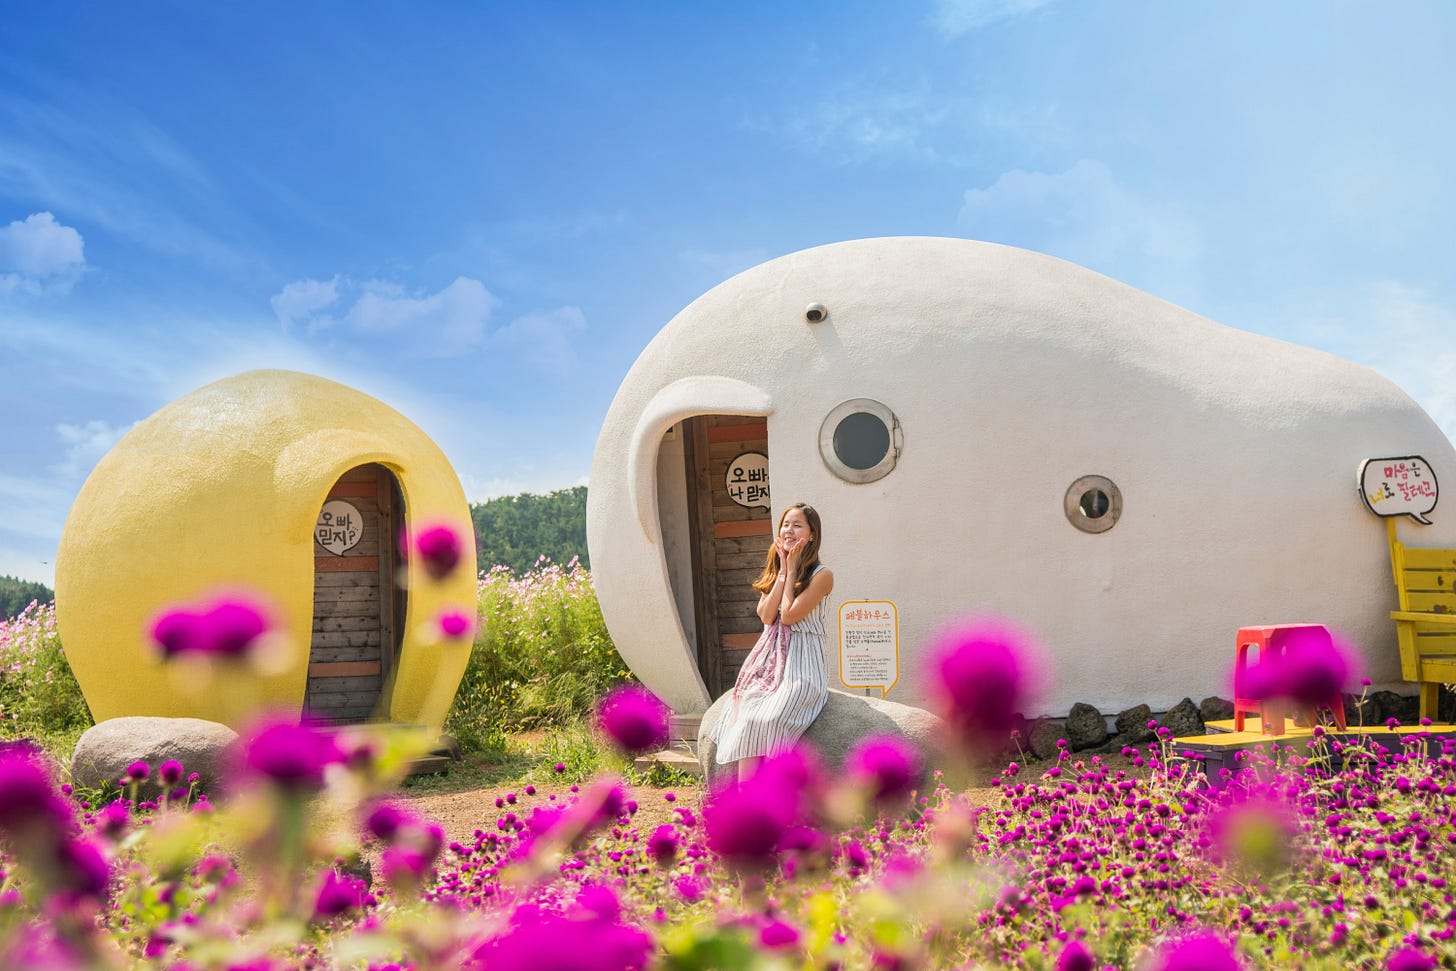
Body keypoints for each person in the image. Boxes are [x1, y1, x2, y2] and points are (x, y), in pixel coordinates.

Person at [705, 502, 834, 781]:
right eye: (785, 524)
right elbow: (766, 616)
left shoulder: (822, 575)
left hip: (803, 659)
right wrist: (784, 572)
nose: (788, 530)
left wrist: (793, 570)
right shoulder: (778, 568)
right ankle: (746, 800)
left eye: (797, 525)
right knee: (748, 712)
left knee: (769, 718)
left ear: (812, 534)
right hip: (770, 656)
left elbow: (787, 616)